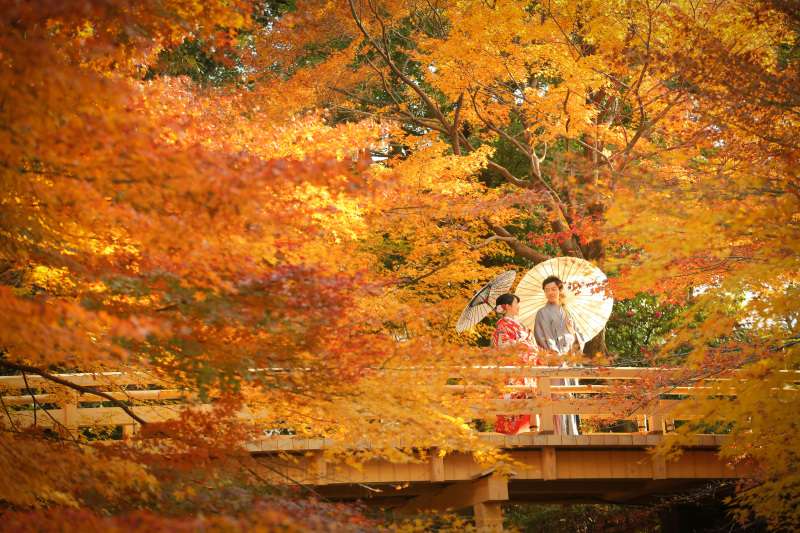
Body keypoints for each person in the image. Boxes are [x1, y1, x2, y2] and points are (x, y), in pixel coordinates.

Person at [532, 275, 584, 435]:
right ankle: (557, 433)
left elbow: (578, 341)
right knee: (556, 396)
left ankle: (573, 433)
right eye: (547, 290)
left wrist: (571, 332)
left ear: (560, 290)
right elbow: (543, 336)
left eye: (553, 289)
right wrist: (554, 353)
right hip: (554, 363)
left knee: (570, 396)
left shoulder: (567, 314)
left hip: (569, 362)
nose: (550, 293)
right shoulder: (542, 313)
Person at [491, 293, 541, 435]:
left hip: (525, 368)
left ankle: (532, 429)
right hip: (514, 369)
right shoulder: (501, 326)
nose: (518, 307)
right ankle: (514, 430)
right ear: (507, 307)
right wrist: (525, 344)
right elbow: (505, 345)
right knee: (515, 397)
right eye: (516, 304)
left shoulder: (515, 325)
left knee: (530, 396)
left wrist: (530, 346)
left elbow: (529, 343)